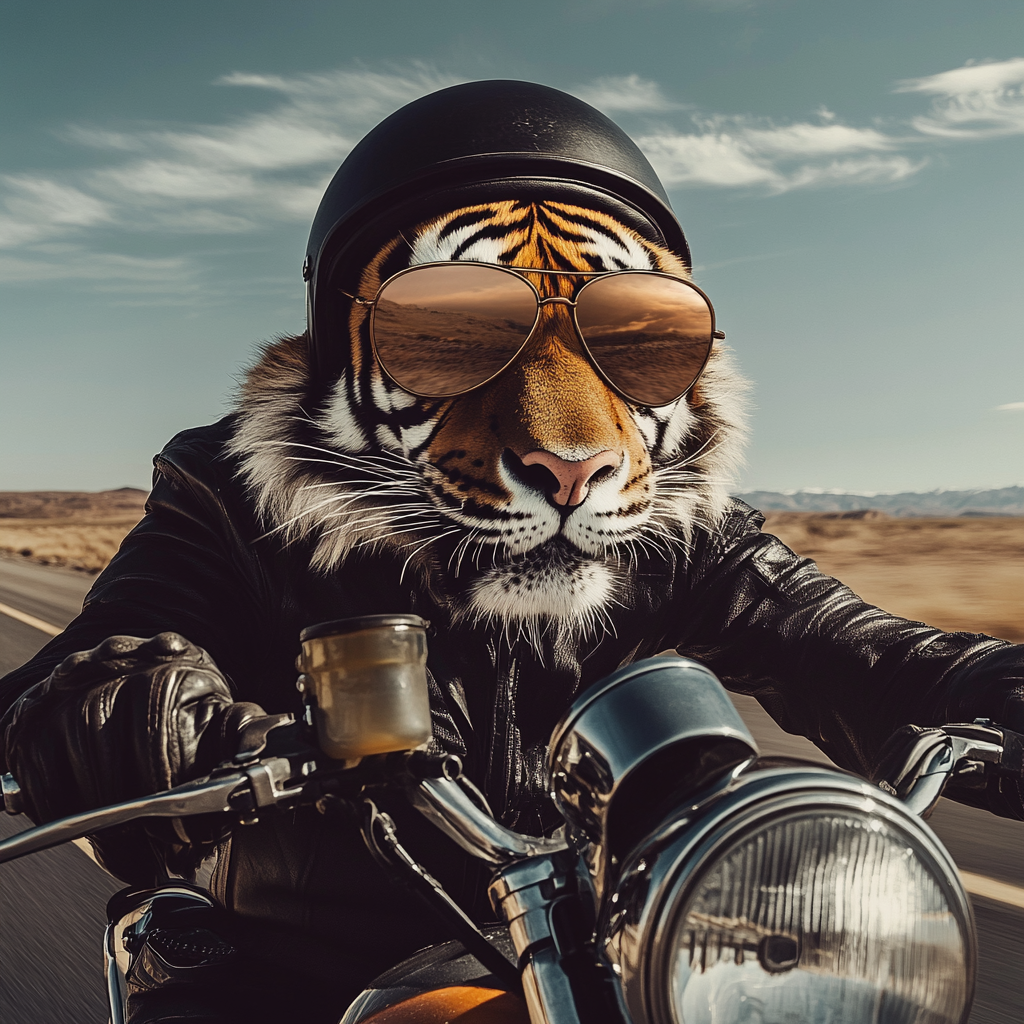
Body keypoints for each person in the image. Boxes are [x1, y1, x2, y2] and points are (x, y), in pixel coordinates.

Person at [1, 81, 1022, 1023]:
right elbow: (119, 644)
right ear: (333, 354)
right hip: (301, 972)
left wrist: (990, 687)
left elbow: (851, 648)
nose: (568, 441)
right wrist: (133, 706)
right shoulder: (227, 498)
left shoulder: (674, 534)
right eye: (445, 334)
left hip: (611, 954)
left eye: (632, 339)